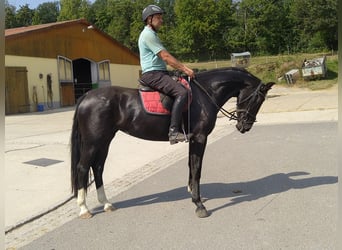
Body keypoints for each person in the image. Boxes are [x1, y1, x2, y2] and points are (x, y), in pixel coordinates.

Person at [138, 4, 195, 145]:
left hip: (159, 72)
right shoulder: (148, 35)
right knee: (182, 92)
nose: (161, 20)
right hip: (153, 74)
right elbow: (166, 57)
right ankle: (174, 132)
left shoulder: (152, 34)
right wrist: (185, 68)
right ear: (149, 19)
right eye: (158, 17)